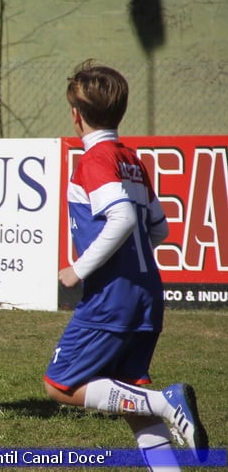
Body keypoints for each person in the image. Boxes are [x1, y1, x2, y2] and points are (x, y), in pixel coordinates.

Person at [46, 60, 208, 468]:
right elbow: (160, 228)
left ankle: (167, 401)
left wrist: (79, 269)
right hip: (146, 292)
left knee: (60, 385)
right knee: (130, 398)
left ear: (75, 115)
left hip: (111, 297)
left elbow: (123, 218)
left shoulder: (96, 160)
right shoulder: (129, 158)